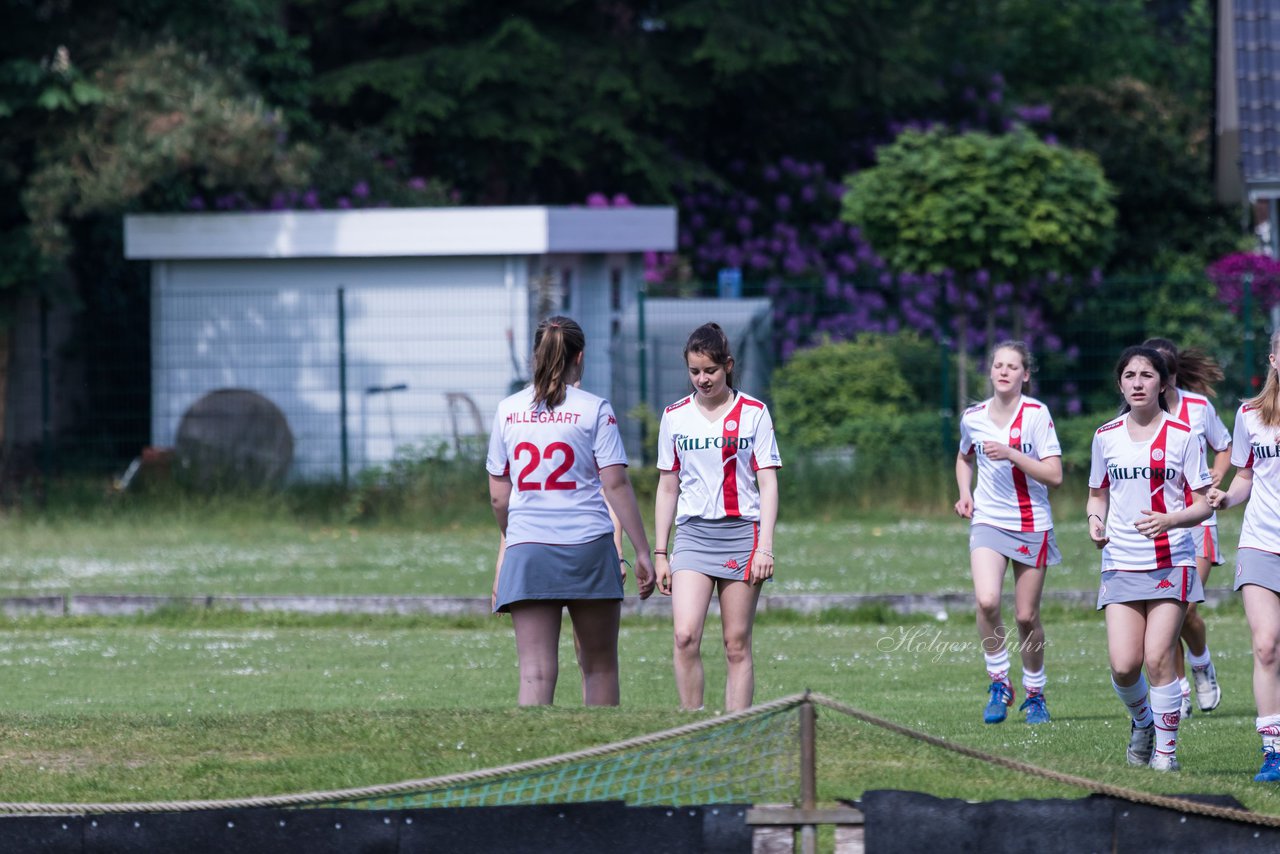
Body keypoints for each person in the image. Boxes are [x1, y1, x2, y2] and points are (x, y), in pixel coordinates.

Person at [486, 315, 655, 706]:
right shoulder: (595, 409)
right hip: (589, 549)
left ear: (536, 356)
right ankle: (599, 755)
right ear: (580, 356)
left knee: (535, 671)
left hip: (528, 551)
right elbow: (615, 485)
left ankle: (535, 759)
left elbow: (499, 497)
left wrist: (514, 539)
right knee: (599, 666)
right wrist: (643, 551)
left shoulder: (507, 410)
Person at [1087, 345, 1213, 771]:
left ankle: (1166, 755)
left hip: (1171, 561)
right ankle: (1143, 722)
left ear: (1163, 382)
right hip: (1121, 561)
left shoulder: (1183, 436)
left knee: (1158, 657)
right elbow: (1097, 492)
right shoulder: (1105, 436)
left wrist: (1170, 520)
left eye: (1146, 375)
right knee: (1124, 666)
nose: (1137, 383)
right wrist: (1094, 521)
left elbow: (1203, 505)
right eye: (1129, 376)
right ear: (1120, 383)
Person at [654, 322, 781, 712]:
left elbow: (768, 484)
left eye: (710, 370)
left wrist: (765, 548)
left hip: (742, 534)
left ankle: (736, 732)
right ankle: (693, 726)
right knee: (685, 635)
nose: (703, 379)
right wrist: (661, 552)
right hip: (692, 536)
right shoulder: (674, 416)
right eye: (694, 372)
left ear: (727, 365)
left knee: (736, 643)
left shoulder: (755, 413)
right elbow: (667, 486)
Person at [955, 341, 1063, 725]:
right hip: (988, 519)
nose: (1003, 371)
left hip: (1032, 523)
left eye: (1012, 366)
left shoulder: (1037, 415)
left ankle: (1035, 692)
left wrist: (1013, 453)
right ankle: (999, 682)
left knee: (1025, 615)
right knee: (986, 601)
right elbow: (964, 456)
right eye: (998, 365)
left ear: (1025, 375)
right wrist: (965, 494)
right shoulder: (973, 416)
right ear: (990, 372)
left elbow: (1055, 475)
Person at [1142, 338, 1231, 719]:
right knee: (1170, 612)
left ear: (1171, 375)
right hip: (1159, 527)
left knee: (1187, 607)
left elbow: (1224, 446)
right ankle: (1177, 689)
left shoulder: (1198, 408)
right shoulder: (1139, 415)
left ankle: (1201, 664)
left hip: (1197, 521)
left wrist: (1217, 475)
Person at [1207, 329, 1280, 782]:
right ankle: (1273, 750)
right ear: (1274, 358)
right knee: (1266, 644)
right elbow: (1246, 475)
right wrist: (1225, 499)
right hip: (1260, 543)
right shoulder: (1250, 415)